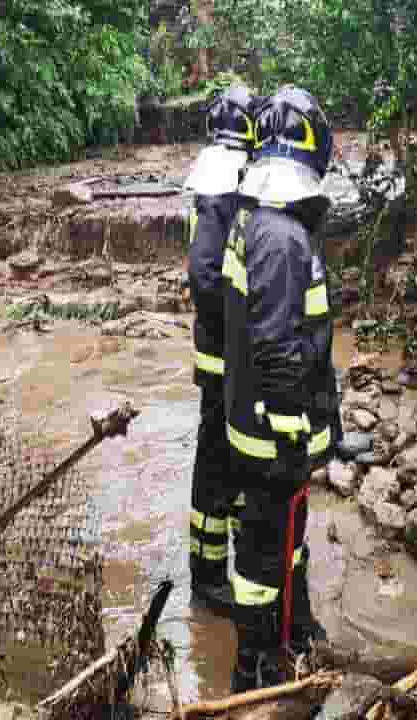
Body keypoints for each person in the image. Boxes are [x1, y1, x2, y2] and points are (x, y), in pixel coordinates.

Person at [222, 85, 334, 691]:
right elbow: (277, 347)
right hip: (272, 436)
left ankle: (289, 633)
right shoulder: (283, 238)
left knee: (281, 541)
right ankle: (257, 667)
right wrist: (294, 432)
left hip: (254, 423)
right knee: (264, 554)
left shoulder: (257, 222)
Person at [183, 84, 256, 615]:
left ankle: (222, 561)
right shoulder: (223, 183)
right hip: (223, 357)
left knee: (228, 462)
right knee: (215, 466)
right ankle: (208, 579)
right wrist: (240, 328)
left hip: (221, 352)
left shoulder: (212, 175)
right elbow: (206, 275)